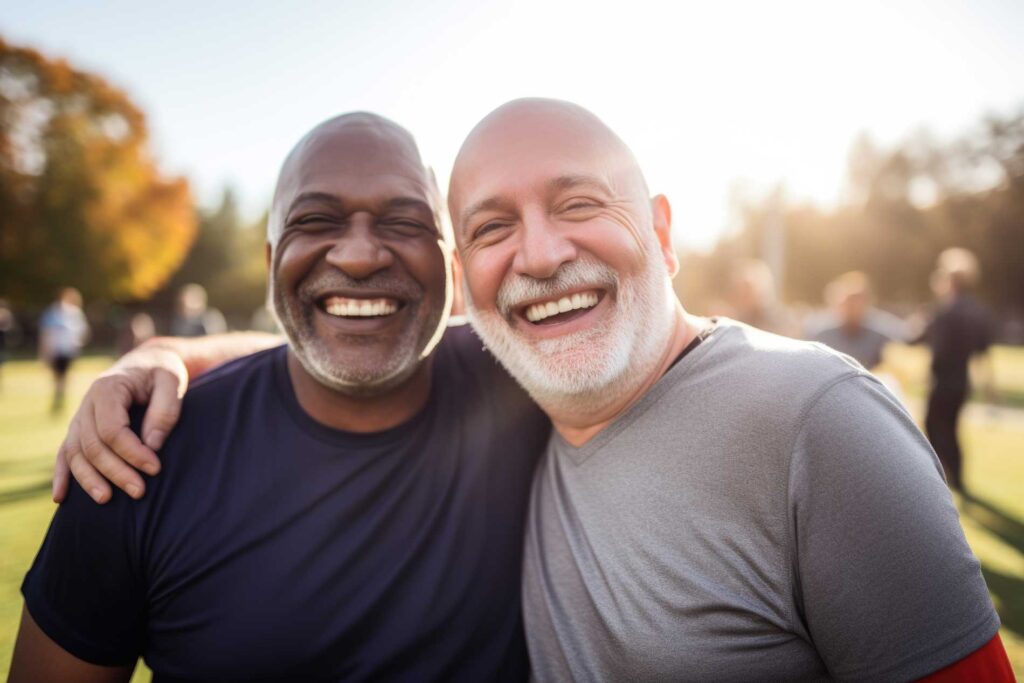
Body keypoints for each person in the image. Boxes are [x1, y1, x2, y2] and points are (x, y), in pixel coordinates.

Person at [49, 101, 1012, 681]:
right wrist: (161, 358)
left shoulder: (812, 420)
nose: (543, 254)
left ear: (665, 233)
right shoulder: (145, 456)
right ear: (470, 275)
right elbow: (328, 338)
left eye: (581, 203)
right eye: (496, 225)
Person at [11, 113, 549, 682]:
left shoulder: (528, 380)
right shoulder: (136, 456)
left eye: (405, 221)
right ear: (271, 264)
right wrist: (161, 354)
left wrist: (169, 349)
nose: (359, 256)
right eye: (316, 220)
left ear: (454, 269)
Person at [916, 248, 995, 493]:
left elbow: (920, 338)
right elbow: (983, 352)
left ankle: (942, 478)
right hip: (961, 383)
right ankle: (957, 479)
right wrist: (990, 384)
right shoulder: (977, 311)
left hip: (942, 381)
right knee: (951, 429)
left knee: (934, 427)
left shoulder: (944, 311)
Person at [808, 270, 908, 371]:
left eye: (857, 300)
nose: (852, 306)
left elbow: (903, 345)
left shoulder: (882, 331)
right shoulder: (821, 333)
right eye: (848, 301)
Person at [38, 287, 90, 413]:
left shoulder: (74, 313)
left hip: (67, 351)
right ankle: (58, 397)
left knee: (63, 376)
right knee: (57, 376)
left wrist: (77, 344)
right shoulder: (52, 313)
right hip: (56, 350)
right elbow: (46, 333)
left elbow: (83, 331)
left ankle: (60, 398)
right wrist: (44, 351)